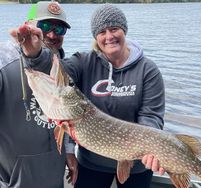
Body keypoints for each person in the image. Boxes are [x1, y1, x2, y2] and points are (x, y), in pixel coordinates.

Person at [11, 4, 166, 188]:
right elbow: (53, 71)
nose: (109, 36)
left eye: (114, 29)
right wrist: (35, 54)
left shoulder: (148, 70)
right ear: (95, 36)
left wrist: (150, 146)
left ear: (124, 30)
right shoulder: (83, 62)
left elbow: (151, 116)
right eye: (102, 31)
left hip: (138, 165)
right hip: (91, 165)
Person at [0, 1, 77, 188]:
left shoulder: (60, 65)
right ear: (27, 25)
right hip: (15, 181)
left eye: (59, 29)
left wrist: (68, 151)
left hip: (53, 176)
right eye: (44, 26)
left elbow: (65, 117)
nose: (51, 34)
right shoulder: (4, 58)